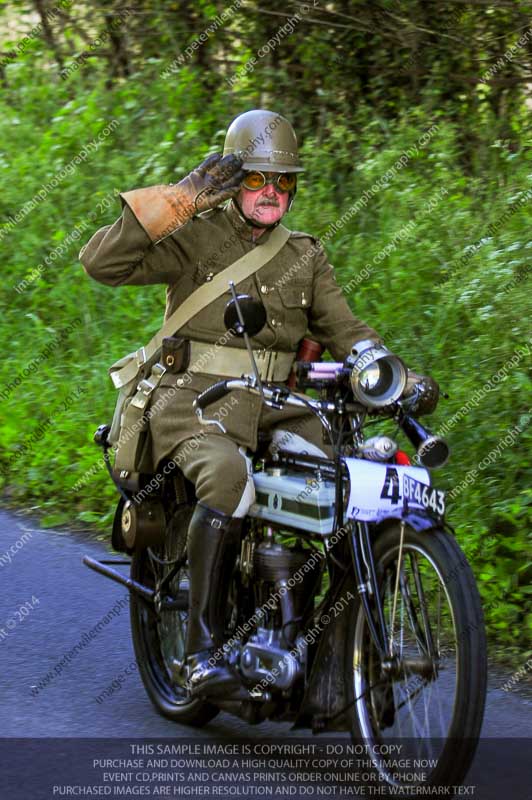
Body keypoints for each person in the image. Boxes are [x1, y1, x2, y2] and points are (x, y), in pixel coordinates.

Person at [79, 109, 438, 698]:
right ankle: (200, 652)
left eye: (284, 181)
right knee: (225, 476)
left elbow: (349, 331)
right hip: (191, 400)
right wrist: (182, 198)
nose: (271, 192)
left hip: (276, 405)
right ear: (231, 179)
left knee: (350, 479)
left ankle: (322, 640)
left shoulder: (306, 255)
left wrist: (396, 376)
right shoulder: (194, 233)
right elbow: (102, 263)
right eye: (256, 179)